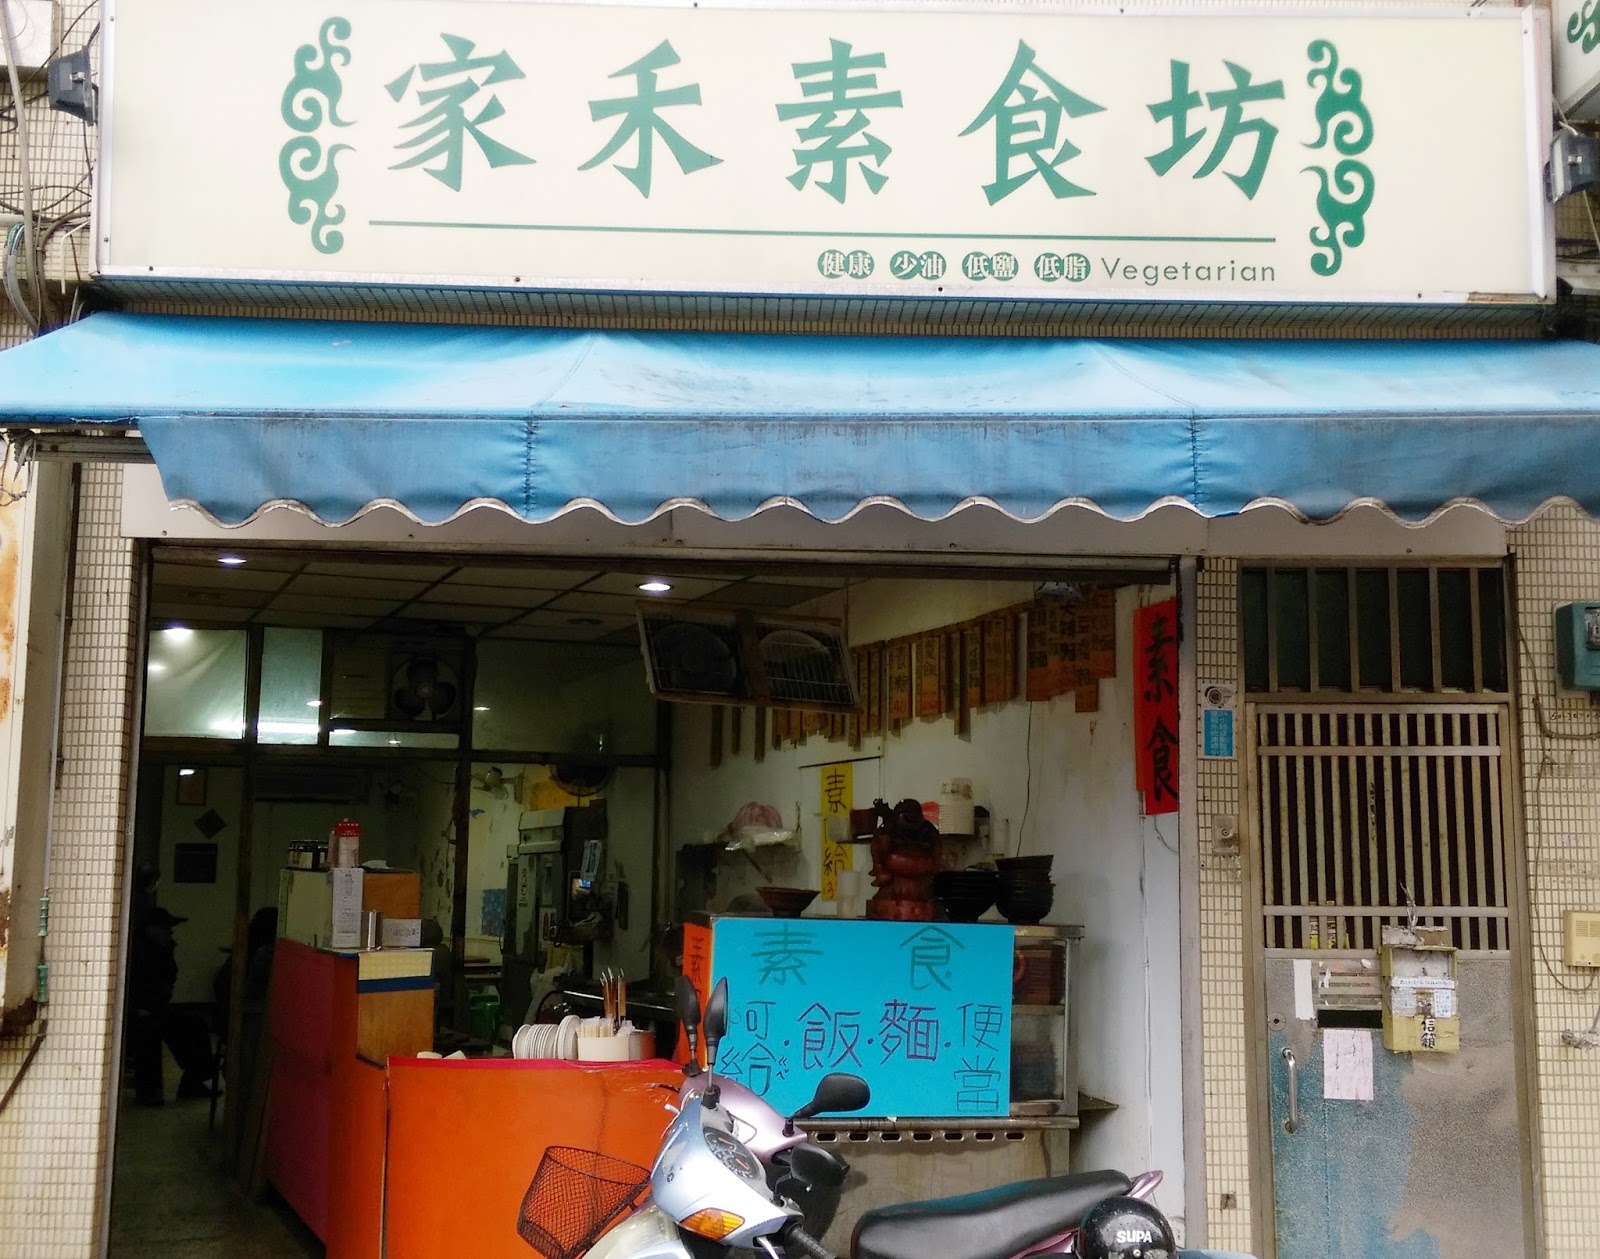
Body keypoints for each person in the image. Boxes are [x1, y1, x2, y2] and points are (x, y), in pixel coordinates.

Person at [126, 906, 216, 1105]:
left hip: (156, 1008)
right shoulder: (135, 951)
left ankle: (192, 1082)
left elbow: (168, 979)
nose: (170, 932)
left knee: (196, 1025)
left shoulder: (162, 950)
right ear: (150, 929)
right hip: (135, 1012)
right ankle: (149, 1092)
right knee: (149, 1029)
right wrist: (135, 1009)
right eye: (165, 928)